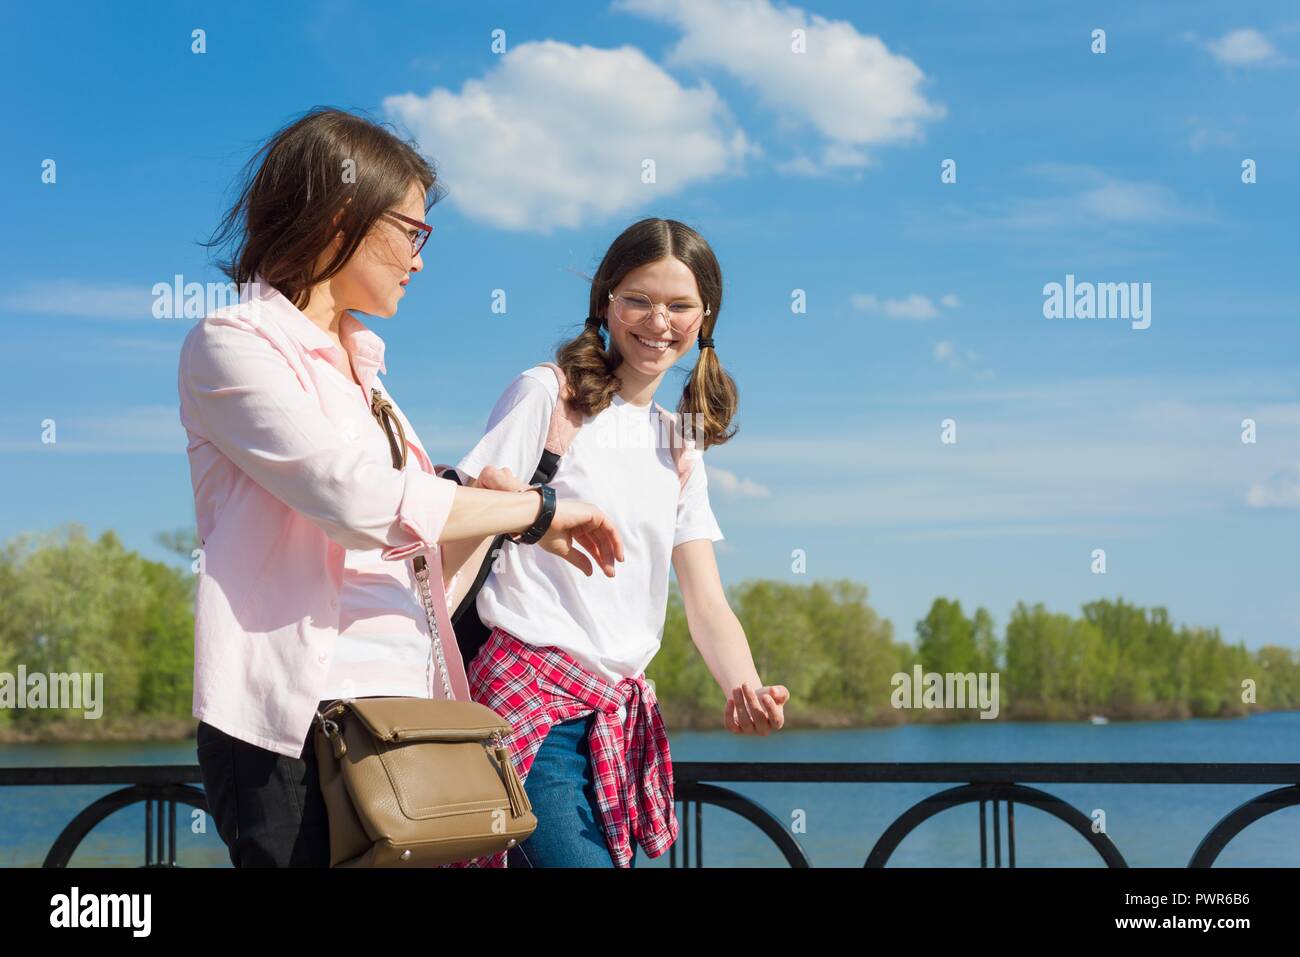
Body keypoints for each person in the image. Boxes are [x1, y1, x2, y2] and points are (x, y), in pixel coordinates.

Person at [178, 107, 623, 867]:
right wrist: (532, 510)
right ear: (343, 213)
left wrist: (482, 515)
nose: (420, 261)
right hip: (297, 724)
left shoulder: (377, 390)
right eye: (412, 232)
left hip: (407, 719)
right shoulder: (232, 344)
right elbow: (355, 501)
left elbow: (421, 583)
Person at [450, 217, 790, 868]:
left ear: (704, 317)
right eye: (639, 298)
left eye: (679, 305)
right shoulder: (548, 395)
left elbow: (706, 599)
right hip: (527, 703)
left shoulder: (679, 443)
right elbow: (459, 515)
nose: (658, 321)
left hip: (615, 717)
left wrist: (744, 685)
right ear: (606, 300)